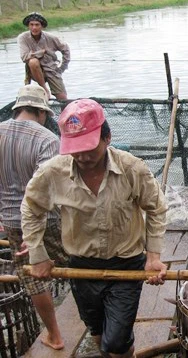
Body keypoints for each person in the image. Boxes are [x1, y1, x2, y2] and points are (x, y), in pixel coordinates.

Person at [21, 98, 168, 358]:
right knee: (97, 330)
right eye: (75, 149)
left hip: (126, 263)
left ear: (107, 138)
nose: (83, 156)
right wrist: (38, 254)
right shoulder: (52, 173)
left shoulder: (132, 169)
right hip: (80, 266)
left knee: (116, 341)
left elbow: (156, 208)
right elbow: (32, 210)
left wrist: (153, 257)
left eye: (89, 148)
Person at [0, 84, 69, 350]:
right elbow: (46, 188)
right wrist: (36, 232)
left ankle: (54, 334)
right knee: (77, 264)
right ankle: (99, 321)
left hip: (13, 223)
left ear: (18, 108)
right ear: (42, 112)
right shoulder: (47, 139)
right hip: (47, 220)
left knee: (33, 279)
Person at [18, 12, 70, 100]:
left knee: (63, 98)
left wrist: (62, 68)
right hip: (34, 70)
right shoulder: (23, 38)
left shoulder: (51, 37)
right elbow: (24, 57)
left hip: (51, 69)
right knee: (33, 61)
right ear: (28, 26)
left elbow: (66, 50)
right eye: (31, 25)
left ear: (42, 26)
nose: (34, 28)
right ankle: (44, 89)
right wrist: (41, 52)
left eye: (37, 25)